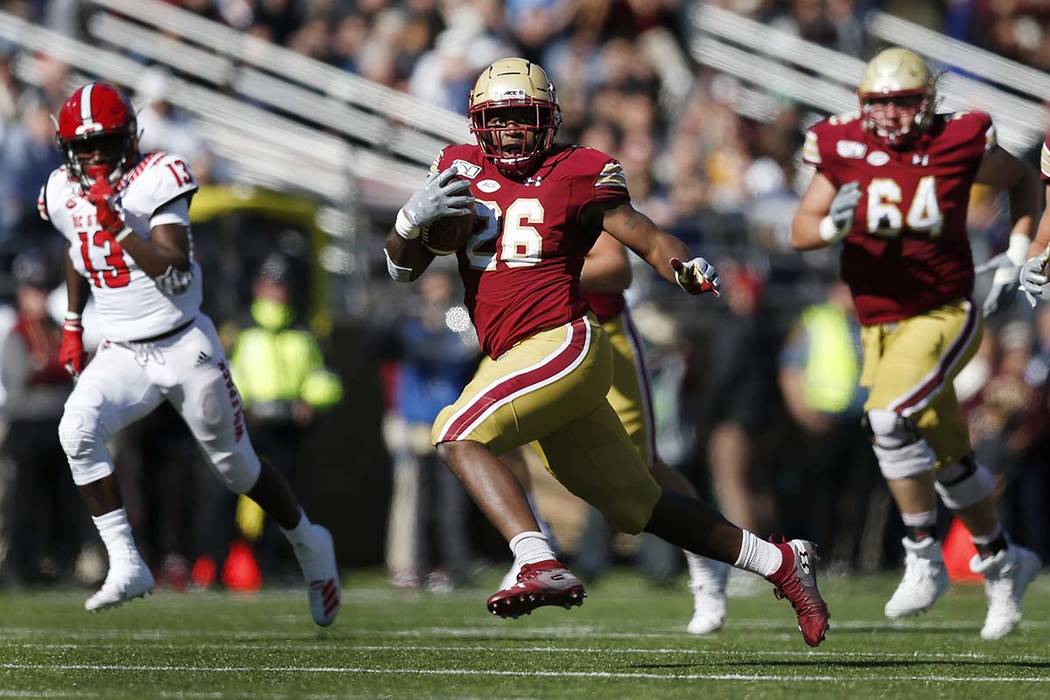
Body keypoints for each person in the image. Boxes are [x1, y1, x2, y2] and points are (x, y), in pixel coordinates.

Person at [384, 57, 830, 647]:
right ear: (479, 122)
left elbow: (641, 233)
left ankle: (534, 556)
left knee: (456, 432)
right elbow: (403, 270)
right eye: (502, 118)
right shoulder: (456, 167)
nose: (514, 130)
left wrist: (683, 264)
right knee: (636, 505)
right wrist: (408, 223)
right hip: (513, 353)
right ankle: (780, 562)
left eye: (525, 118)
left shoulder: (579, 170)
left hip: (562, 339)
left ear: (549, 119)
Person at [39, 82, 339, 624]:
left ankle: (310, 541)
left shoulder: (159, 175)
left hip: (182, 342)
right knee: (75, 429)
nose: (95, 157)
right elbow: (74, 246)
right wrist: (73, 320)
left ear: (129, 138)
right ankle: (127, 561)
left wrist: (118, 229)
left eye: (105, 144)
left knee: (235, 467)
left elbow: (172, 262)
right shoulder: (62, 190)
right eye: (84, 148)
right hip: (123, 349)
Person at [791, 48, 1041, 640]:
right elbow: (801, 228)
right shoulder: (841, 145)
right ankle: (1004, 561)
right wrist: (832, 225)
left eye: (904, 101)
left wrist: (1018, 251)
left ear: (928, 100)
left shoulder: (958, 140)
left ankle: (922, 552)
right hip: (879, 323)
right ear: (861, 104)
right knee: (951, 455)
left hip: (944, 311)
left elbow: (1026, 180)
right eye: (879, 102)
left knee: (887, 417)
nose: (892, 114)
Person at [502, 232, 733, 634]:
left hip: (602, 331)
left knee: (645, 465)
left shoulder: (582, 178)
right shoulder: (494, 184)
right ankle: (532, 546)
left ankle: (706, 562)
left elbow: (616, 268)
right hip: (540, 335)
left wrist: (536, 271)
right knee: (492, 434)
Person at [228, 253, 343, 579]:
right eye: (270, 285)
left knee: (287, 497)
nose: (276, 293)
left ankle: (278, 563)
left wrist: (309, 400)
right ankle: (233, 561)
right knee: (238, 496)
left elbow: (322, 377)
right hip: (249, 425)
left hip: (289, 427)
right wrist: (243, 406)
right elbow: (228, 375)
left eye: (281, 286)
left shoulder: (305, 330)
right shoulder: (240, 329)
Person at [0, 250, 85, 584]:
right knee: (25, 499)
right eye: (33, 291)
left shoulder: (56, 328)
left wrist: (48, 371)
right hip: (28, 423)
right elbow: (20, 380)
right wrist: (51, 371)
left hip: (59, 421)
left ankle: (60, 559)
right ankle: (22, 562)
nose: (38, 297)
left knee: (63, 498)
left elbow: (71, 368)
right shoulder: (18, 333)